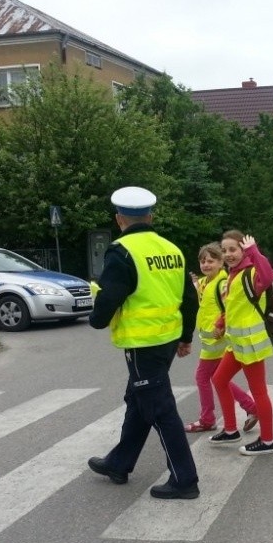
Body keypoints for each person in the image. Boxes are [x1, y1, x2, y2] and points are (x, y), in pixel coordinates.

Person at [86, 186, 200, 500]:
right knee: (138, 399)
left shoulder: (121, 251)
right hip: (167, 340)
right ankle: (118, 463)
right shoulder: (171, 249)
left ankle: (184, 479)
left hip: (143, 342)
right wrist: (186, 336)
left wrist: (97, 318)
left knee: (160, 409)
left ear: (119, 219)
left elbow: (110, 295)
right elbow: (190, 298)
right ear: (150, 216)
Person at [208, 230, 273, 455]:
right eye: (225, 250)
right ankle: (230, 430)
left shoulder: (251, 272)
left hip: (251, 343)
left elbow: (268, 278)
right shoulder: (233, 274)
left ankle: (267, 441)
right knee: (219, 379)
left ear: (243, 250)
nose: (228, 254)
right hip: (236, 342)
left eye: (233, 249)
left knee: (259, 392)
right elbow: (235, 305)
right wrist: (221, 322)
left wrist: (254, 251)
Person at [184, 242, 257, 433]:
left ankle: (207, 419)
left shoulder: (223, 283)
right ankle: (251, 407)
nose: (206, 265)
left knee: (203, 377)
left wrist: (220, 325)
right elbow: (195, 291)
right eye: (202, 261)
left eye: (211, 261)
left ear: (220, 262)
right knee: (218, 378)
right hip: (210, 341)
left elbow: (231, 308)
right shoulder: (205, 282)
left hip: (219, 340)